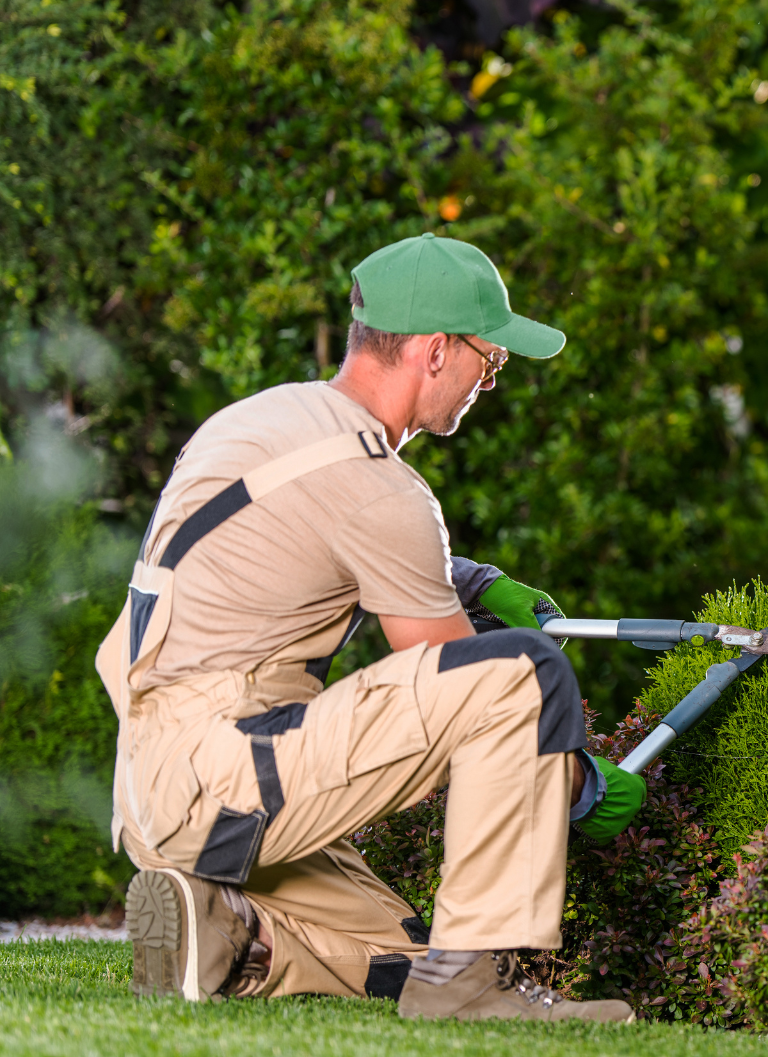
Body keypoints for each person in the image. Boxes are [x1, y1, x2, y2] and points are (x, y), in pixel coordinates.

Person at [95, 233, 647, 1021]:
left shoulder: (266, 421)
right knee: (524, 674)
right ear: (431, 351)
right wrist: (581, 786)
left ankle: (231, 932)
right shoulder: (380, 488)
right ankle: (467, 991)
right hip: (227, 778)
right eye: (489, 361)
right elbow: (469, 695)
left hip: (159, 788)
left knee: (409, 953)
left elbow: (304, 550)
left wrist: (478, 583)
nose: (490, 381)